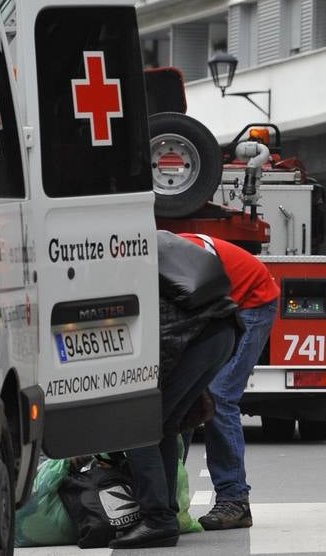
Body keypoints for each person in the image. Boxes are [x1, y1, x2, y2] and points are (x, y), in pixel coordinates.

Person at [113, 231, 240, 549]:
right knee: (164, 426)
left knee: (138, 429)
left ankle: (158, 520)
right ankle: (165, 514)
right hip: (220, 329)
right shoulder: (133, 248)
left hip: (197, 336)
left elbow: (158, 339)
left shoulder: (110, 264)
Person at [179, 233, 281, 532]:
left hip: (253, 302)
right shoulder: (159, 260)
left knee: (218, 395)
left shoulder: (177, 263)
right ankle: (170, 493)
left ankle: (235, 500)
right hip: (223, 304)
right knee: (182, 394)